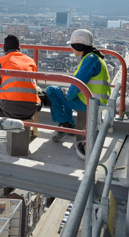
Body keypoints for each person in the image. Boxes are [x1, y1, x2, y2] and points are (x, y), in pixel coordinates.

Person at [46, 29, 111, 159]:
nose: (71, 48)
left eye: (72, 45)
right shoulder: (94, 57)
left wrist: (67, 94)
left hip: (90, 102)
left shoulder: (90, 59)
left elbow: (77, 83)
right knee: (61, 93)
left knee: (51, 91)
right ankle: (67, 123)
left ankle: (65, 124)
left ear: (78, 45)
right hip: (95, 100)